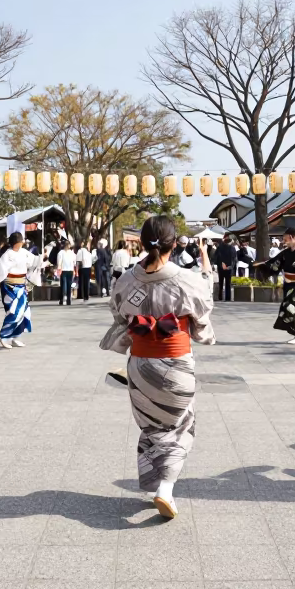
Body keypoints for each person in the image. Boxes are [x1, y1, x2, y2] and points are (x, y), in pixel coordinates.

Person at [100, 215, 214, 519]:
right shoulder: (187, 279)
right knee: (181, 424)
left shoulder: (126, 280)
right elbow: (204, 309)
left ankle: (156, 484)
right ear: (174, 244)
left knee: (152, 425)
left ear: (141, 242)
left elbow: (118, 313)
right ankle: (165, 487)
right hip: (175, 362)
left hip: (140, 363)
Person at [255, 227, 295, 345]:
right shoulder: (285, 253)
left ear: (293, 237)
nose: (284, 241)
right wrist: (262, 265)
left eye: (285, 238)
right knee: (286, 309)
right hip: (288, 286)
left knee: (290, 307)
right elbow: (274, 263)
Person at [0, 231, 43, 349]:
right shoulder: (7, 255)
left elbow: (34, 262)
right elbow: (1, 271)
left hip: (21, 286)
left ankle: (15, 337)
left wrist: (41, 257)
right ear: (17, 242)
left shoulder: (24, 253)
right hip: (10, 287)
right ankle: (4, 336)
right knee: (14, 312)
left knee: (25, 312)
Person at [214, 235, 237, 301]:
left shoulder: (219, 247)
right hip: (228, 268)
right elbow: (234, 258)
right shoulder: (232, 248)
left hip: (221, 267)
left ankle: (220, 296)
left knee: (220, 282)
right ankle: (228, 297)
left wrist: (219, 265)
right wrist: (231, 266)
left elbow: (216, 257)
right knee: (228, 283)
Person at [56, 240, 76, 305]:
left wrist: (74, 270)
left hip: (69, 270)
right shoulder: (61, 253)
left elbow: (74, 262)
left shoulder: (71, 253)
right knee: (64, 285)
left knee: (68, 285)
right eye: (68, 245)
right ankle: (63, 299)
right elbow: (59, 262)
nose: (69, 246)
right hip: (64, 270)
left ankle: (68, 300)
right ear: (66, 245)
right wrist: (59, 269)